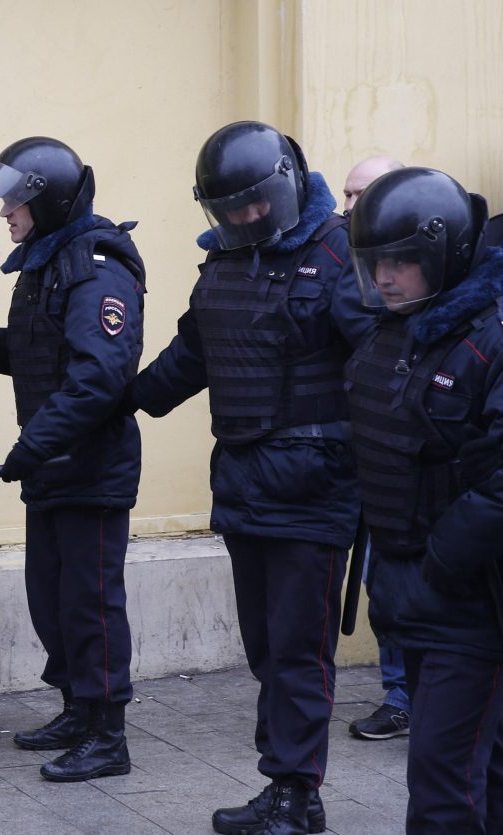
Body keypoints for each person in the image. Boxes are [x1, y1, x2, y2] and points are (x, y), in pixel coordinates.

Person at [127, 121, 373, 834]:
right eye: (229, 210)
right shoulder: (226, 265)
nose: (244, 219)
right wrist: (118, 407)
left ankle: (299, 793)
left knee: (299, 652)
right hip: (242, 487)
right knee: (269, 651)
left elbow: (384, 367)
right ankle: (283, 783)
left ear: (286, 186)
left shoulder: (339, 256)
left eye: (255, 206)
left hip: (315, 491)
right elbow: (192, 354)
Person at [0, 136, 146, 782]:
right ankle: (76, 708)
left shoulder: (95, 267)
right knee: (52, 598)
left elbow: (98, 375)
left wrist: (35, 442)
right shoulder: (47, 261)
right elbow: (39, 346)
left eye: (14, 202)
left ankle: (109, 734)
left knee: (92, 602)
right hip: (52, 467)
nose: (6, 214)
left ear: (49, 200)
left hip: (89, 469)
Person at [345, 166, 503, 833]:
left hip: (472, 603)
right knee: (477, 771)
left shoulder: (487, 336)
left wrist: (439, 561)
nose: (385, 277)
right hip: (417, 593)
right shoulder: (398, 328)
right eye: (375, 262)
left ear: (442, 256)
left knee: (443, 786)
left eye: (402, 262)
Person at [343, 154, 414, 743]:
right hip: (366, 454)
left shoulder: (425, 272)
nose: (349, 206)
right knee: (379, 579)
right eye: (345, 194)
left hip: (417, 458)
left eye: (361, 195)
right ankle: (399, 695)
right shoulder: (342, 260)